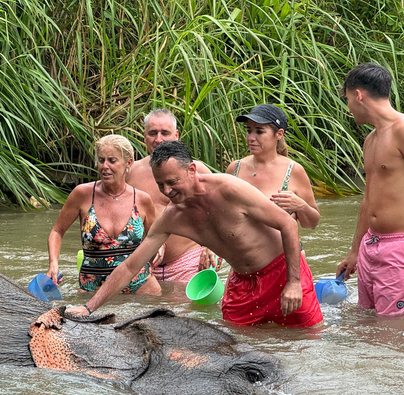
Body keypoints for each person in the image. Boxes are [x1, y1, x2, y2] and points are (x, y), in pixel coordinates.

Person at [67, 141, 323, 327]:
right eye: (161, 185)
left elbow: (288, 225)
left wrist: (293, 282)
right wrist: (88, 307)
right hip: (242, 283)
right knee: (238, 348)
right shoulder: (173, 216)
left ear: (191, 170)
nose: (167, 191)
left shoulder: (229, 189)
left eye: (172, 182)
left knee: (306, 341)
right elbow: (130, 266)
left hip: (282, 271)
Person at [337, 63, 404, 315]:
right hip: (372, 244)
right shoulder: (371, 139)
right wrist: (355, 250)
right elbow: (368, 199)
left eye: (347, 100)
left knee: (394, 332)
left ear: (358, 95)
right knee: (367, 326)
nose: (348, 107)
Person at [46, 134, 162, 295]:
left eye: (112, 161)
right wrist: (53, 263)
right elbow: (57, 231)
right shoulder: (82, 194)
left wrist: (158, 250)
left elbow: (156, 238)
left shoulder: (142, 200)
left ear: (128, 163)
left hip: (140, 286)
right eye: (101, 160)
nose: (104, 166)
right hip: (93, 287)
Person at [126, 108, 215, 283]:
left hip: (188, 262)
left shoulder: (196, 170)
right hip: (144, 264)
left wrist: (211, 248)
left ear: (176, 135)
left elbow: (220, 212)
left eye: (164, 133)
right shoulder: (130, 173)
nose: (158, 139)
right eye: (153, 133)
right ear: (144, 136)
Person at [227, 104, 320, 236]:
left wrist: (301, 206)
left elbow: (311, 224)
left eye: (259, 131)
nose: (251, 138)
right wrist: (210, 247)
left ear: (279, 134)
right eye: (249, 130)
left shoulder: (293, 170)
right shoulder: (235, 168)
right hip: (236, 253)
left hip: (280, 253)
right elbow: (219, 215)